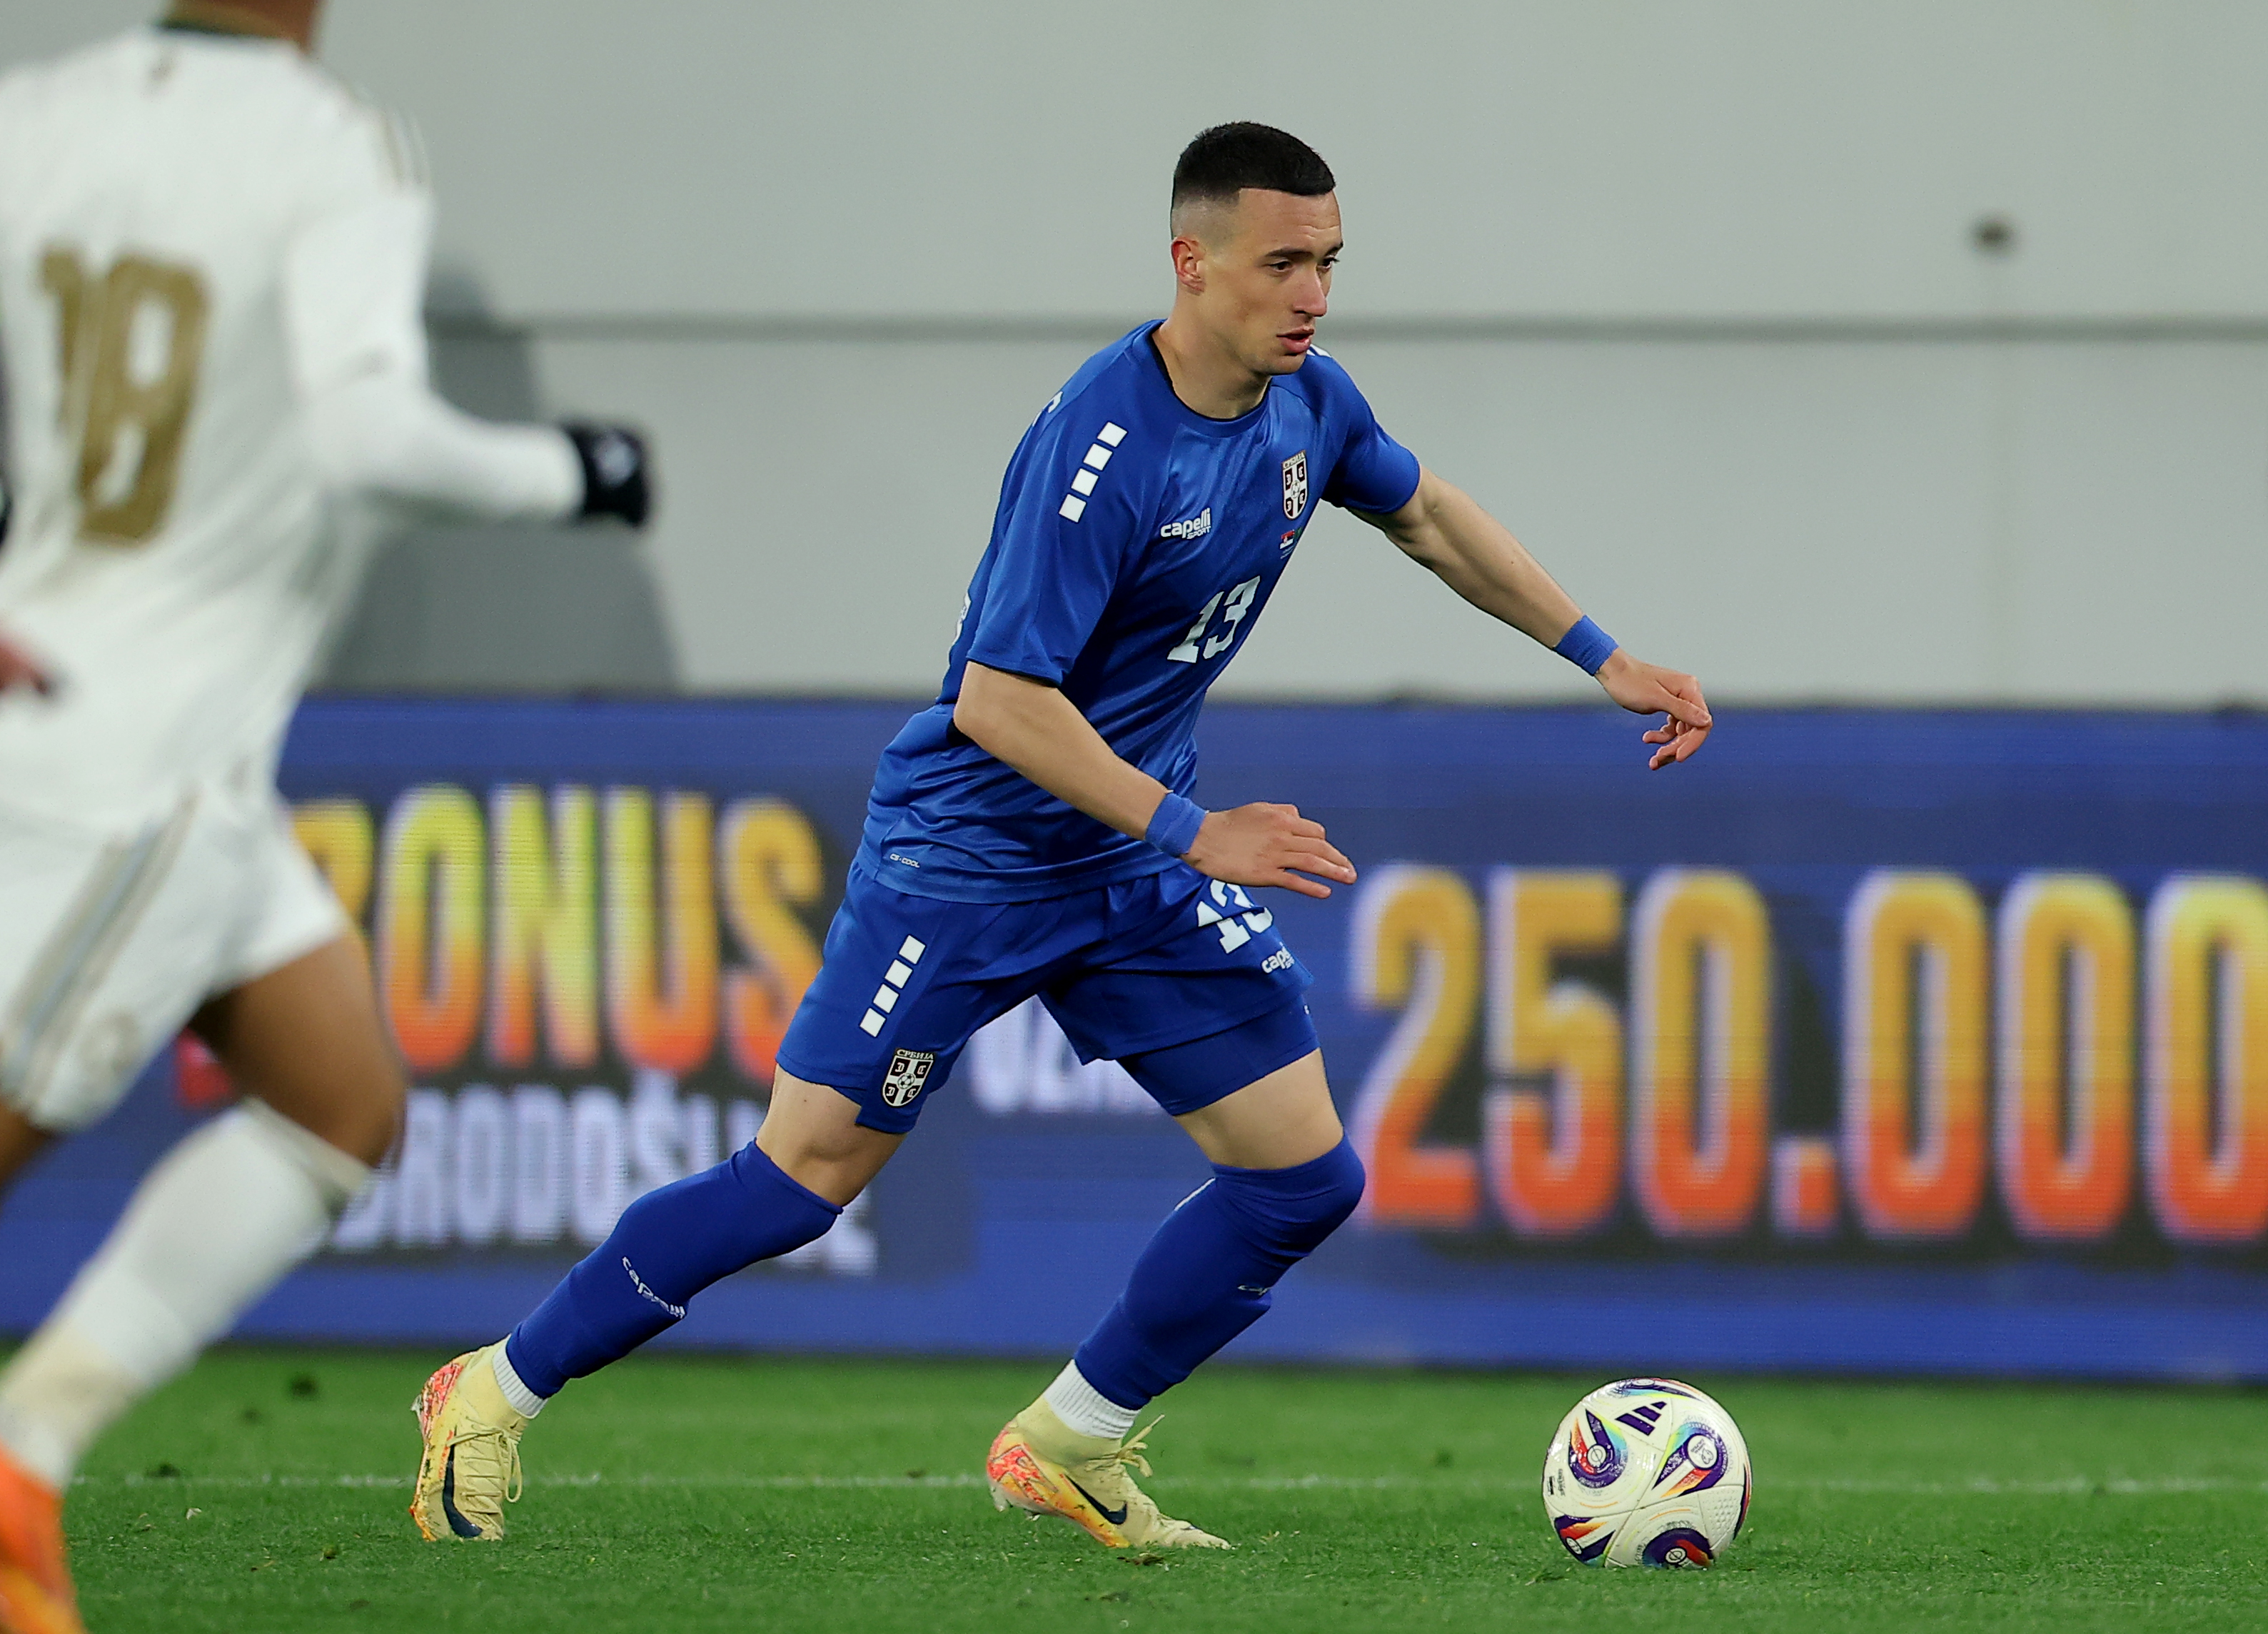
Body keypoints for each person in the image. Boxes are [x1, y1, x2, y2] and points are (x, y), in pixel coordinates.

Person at [405, 121, 1710, 1551]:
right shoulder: (1104, 445)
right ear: (1189, 262)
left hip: (1127, 865)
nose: (1312, 295)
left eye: (1328, 262)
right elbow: (996, 701)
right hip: (968, 864)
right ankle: (490, 1385)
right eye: (1282, 262)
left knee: (1301, 1172)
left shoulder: (1309, 407)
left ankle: (1070, 1441)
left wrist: (1599, 654)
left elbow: (1432, 519)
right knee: (802, 1180)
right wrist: (1195, 828)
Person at [0, 1, 652, 1624]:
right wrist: (579, 469)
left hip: (116, 708)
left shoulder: (42, 110)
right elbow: (368, 432)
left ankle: (24, 1457)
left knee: (335, 1098)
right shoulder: (332, 144)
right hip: (139, 767)